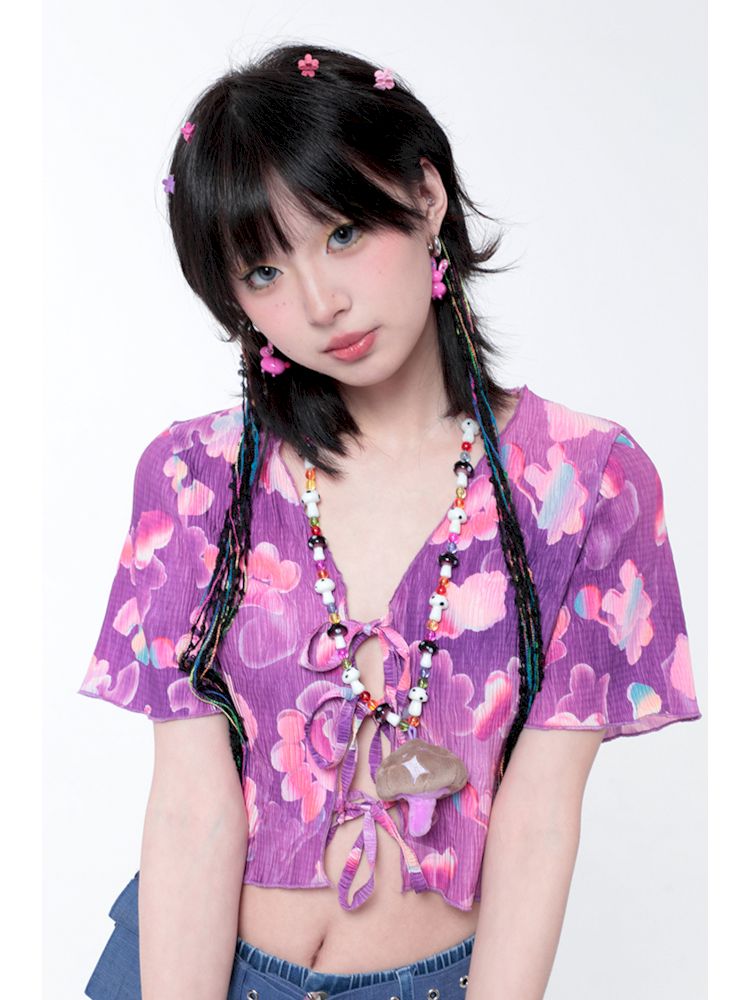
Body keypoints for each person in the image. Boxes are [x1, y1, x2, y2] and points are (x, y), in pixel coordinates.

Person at [77, 42, 702, 1000]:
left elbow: (540, 818)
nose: (320, 303)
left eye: (342, 234)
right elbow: (191, 807)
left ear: (426, 195)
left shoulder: (587, 484)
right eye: (263, 271)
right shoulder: (194, 478)